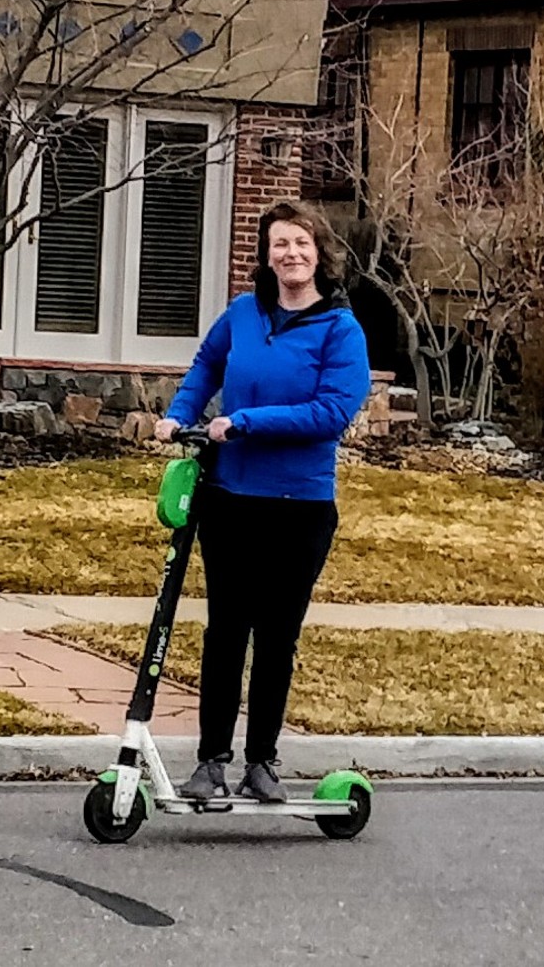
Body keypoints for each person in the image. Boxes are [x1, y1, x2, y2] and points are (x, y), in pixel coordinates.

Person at [154, 200, 371, 804]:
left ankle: (262, 762)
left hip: (299, 507)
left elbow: (331, 413)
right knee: (225, 632)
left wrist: (246, 421)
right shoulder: (243, 313)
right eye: (280, 244)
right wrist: (179, 414)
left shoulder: (341, 330)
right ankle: (210, 763)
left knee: (276, 637)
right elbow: (206, 366)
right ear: (267, 255)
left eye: (301, 243)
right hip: (229, 500)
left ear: (319, 254)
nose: (291, 254)